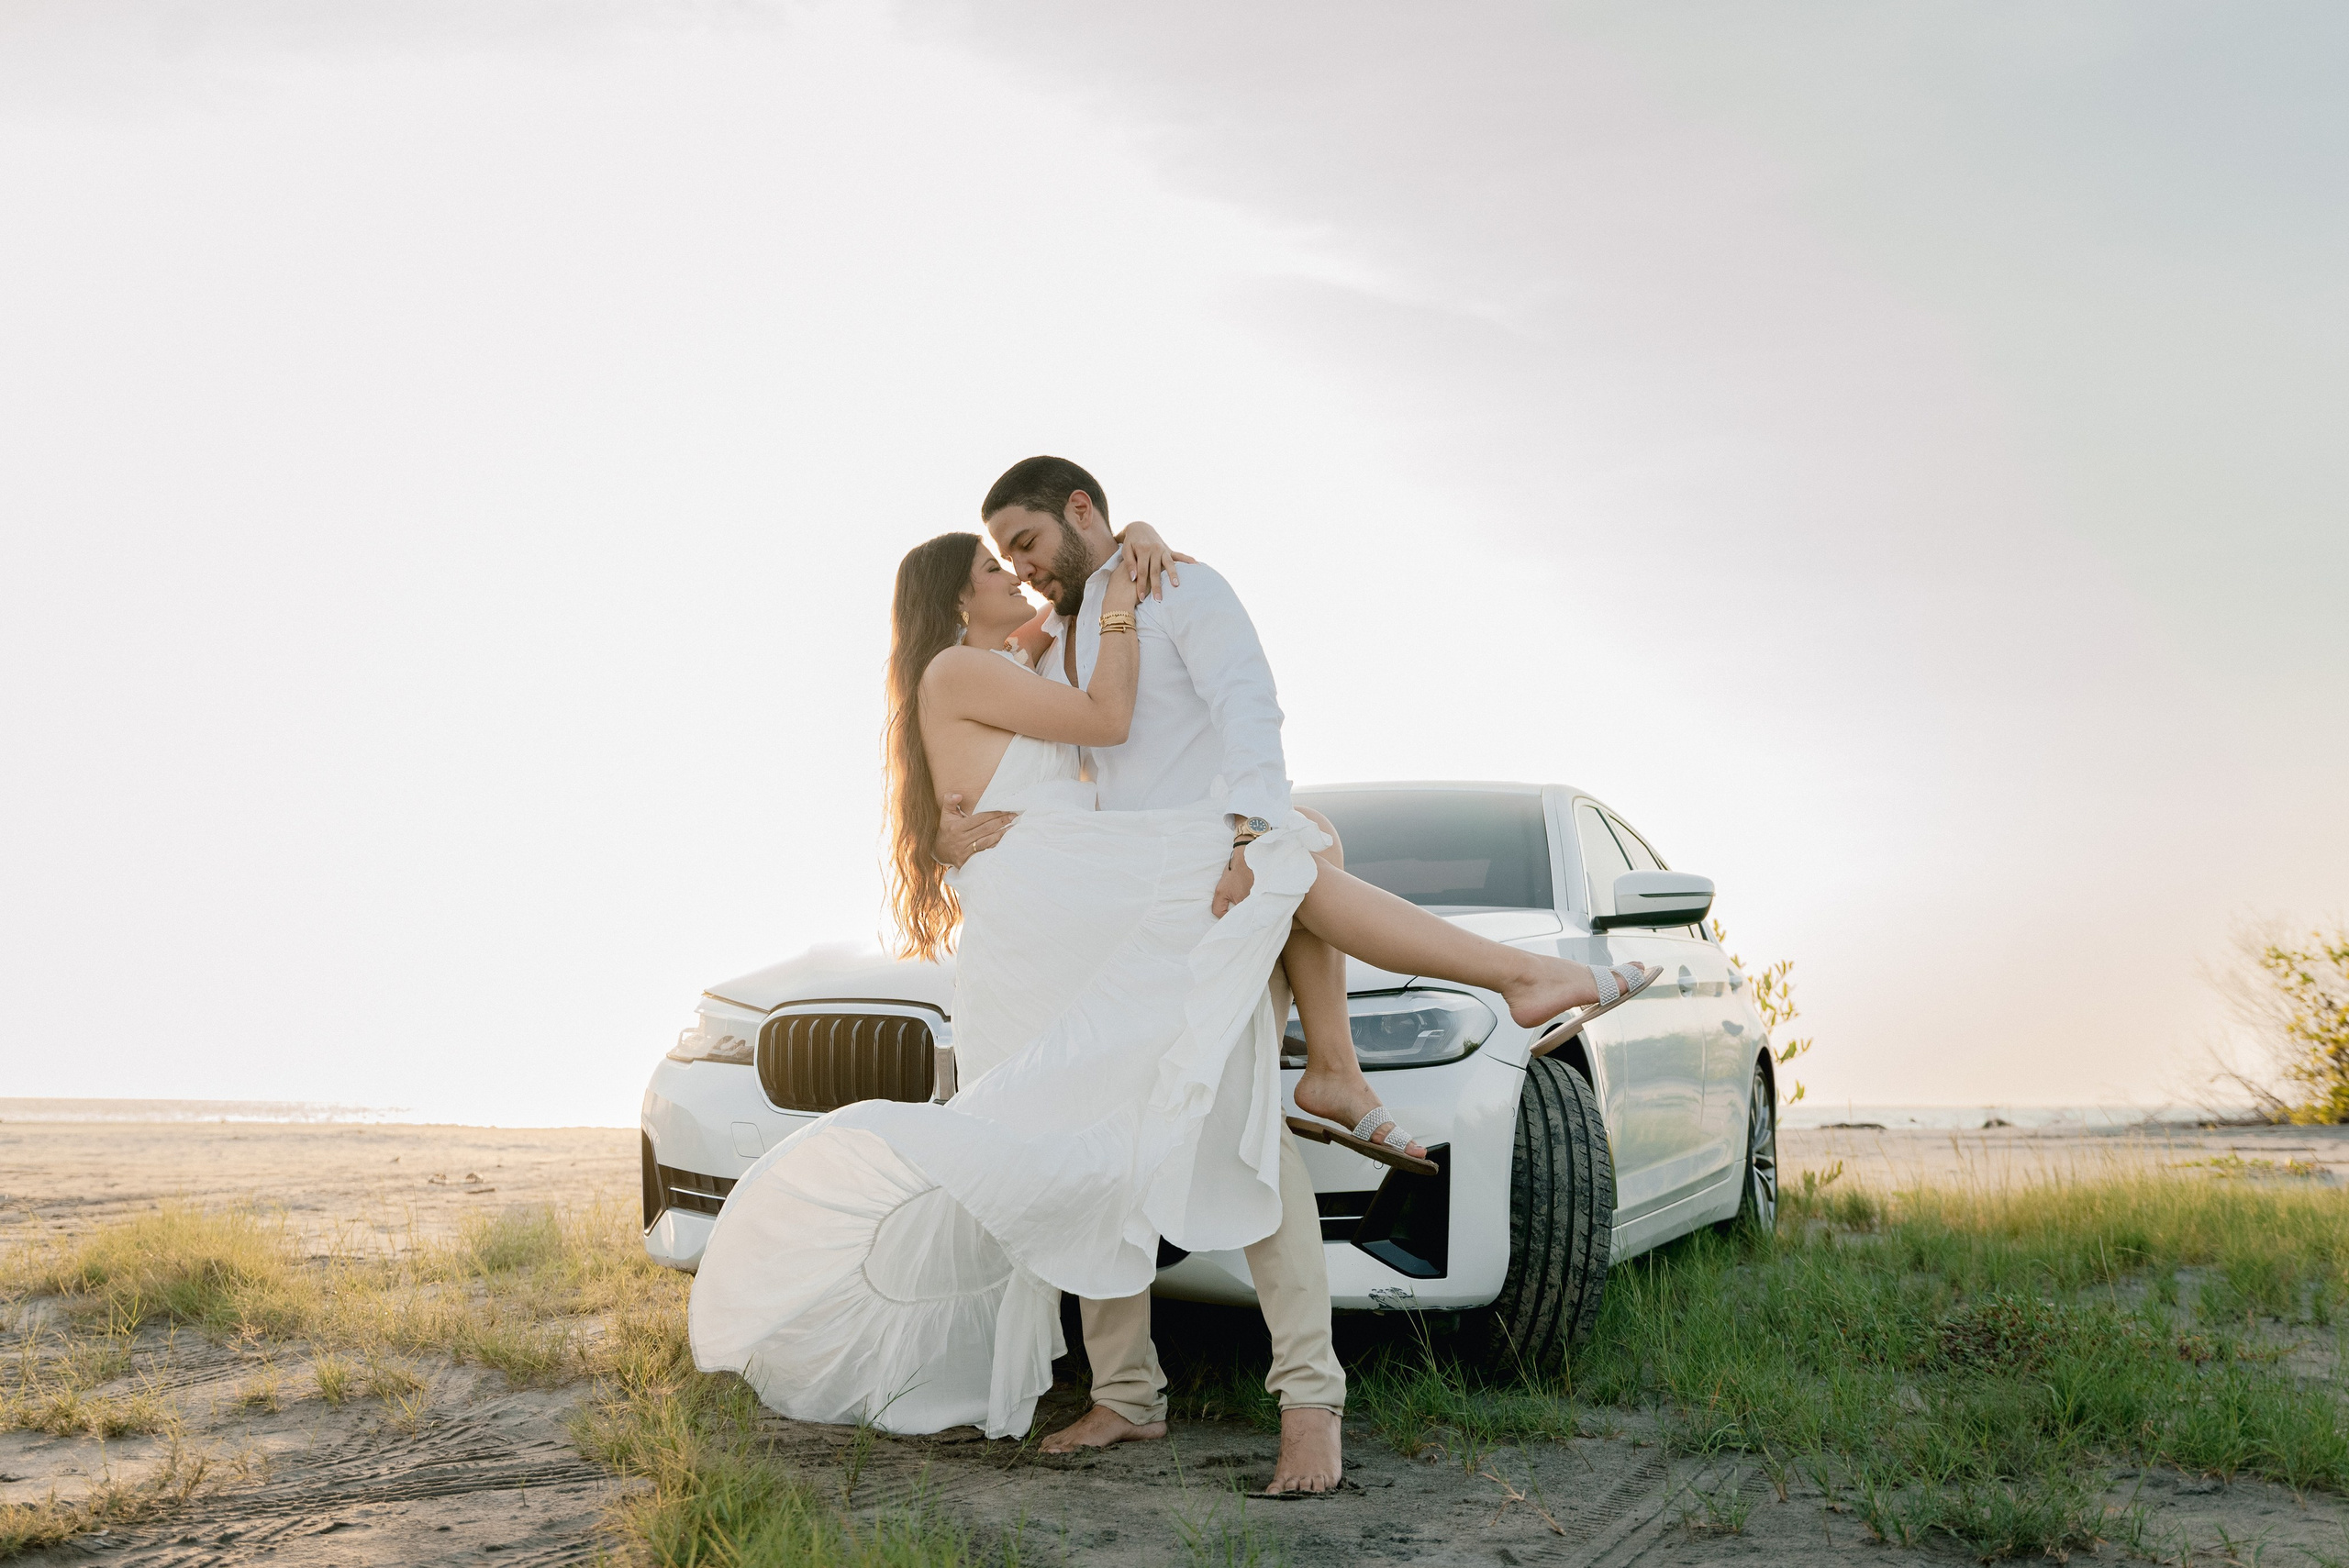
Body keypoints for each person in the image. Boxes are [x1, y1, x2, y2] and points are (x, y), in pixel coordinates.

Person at [687, 475, 1653, 1494]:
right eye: (994, 561)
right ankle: (1133, 1386)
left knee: (1255, 1010)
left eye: (1019, 544)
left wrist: (1131, 554)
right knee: (1078, 1144)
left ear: (1079, 509)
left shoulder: (1145, 600)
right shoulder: (1009, 652)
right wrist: (1099, 599)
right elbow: (1086, 722)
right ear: (959, 601)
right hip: (1071, 916)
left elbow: (1230, 714)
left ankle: (1299, 1379)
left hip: (1124, 903)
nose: (1014, 567)